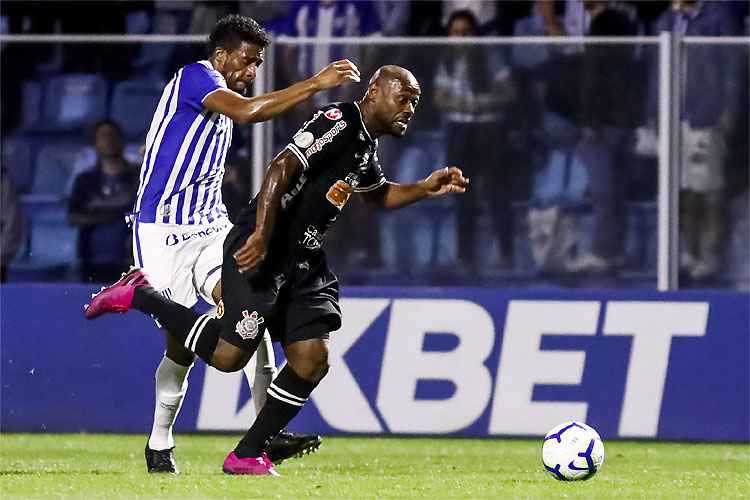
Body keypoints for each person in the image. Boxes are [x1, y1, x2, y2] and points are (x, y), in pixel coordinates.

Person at [85, 65, 469, 475]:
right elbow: (280, 169)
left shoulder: (364, 147)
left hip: (305, 260)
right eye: (403, 98)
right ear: (374, 93)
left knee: (311, 357)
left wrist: (425, 188)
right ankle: (141, 294)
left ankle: (247, 454)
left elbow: (379, 196)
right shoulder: (337, 123)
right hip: (265, 247)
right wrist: (262, 236)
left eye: (414, 102)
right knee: (229, 357)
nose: (410, 109)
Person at [123, 14, 360, 474]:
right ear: (221, 56)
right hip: (162, 231)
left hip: (210, 226)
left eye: (258, 64)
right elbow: (250, 112)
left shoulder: (220, 98)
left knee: (250, 311)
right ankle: (159, 442)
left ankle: (262, 436)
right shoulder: (196, 76)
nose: (252, 72)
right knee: (181, 347)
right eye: (248, 62)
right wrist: (315, 83)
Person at [68, 120, 139, 283]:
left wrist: (98, 207)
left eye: (112, 135)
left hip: (131, 261)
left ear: (122, 140)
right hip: (93, 261)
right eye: (103, 136)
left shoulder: (139, 176)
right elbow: (73, 218)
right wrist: (116, 213)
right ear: (95, 143)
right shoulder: (85, 181)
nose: (108, 140)